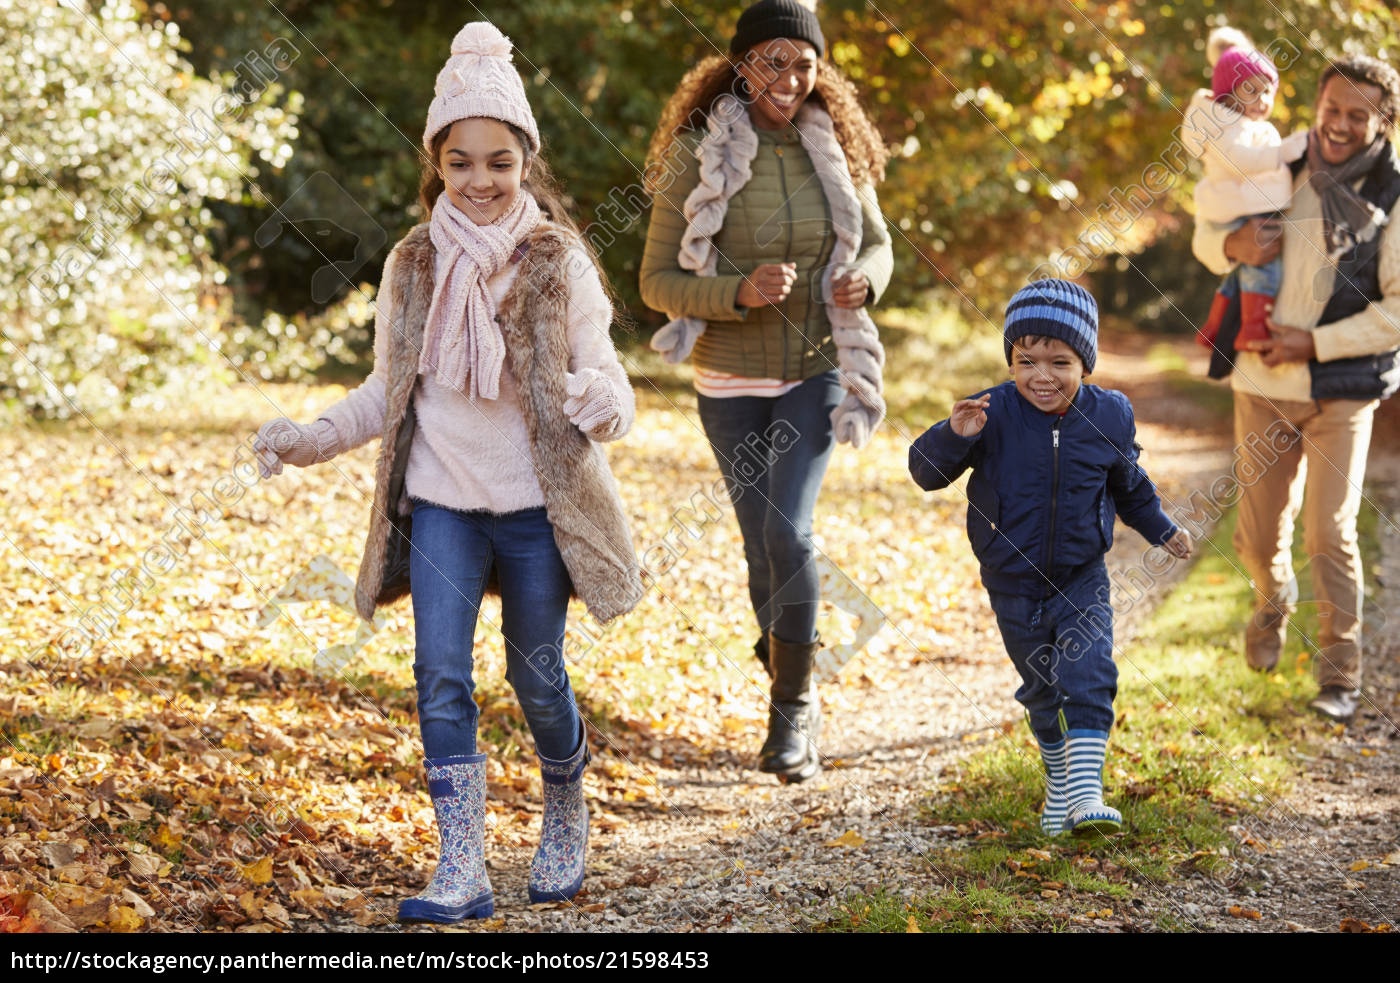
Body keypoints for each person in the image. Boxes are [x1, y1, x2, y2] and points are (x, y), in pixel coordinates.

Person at [252, 22, 643, 921]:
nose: (480, 179)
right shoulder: (412, 264)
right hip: (441, 505)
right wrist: (308, 436)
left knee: (537, 674)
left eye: (498, 160)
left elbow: (608, 378)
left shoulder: (557, 263)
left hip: (538, 505)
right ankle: (460, 863)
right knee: (440, 673)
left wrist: (602, 402)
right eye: (460, 161)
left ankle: (564, 806)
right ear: (437, 163)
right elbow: (387, 389)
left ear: (525, 162)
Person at [638, 0, 893, 784]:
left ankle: (794, 708)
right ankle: (790, 646)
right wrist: (736, 292)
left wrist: (865, 282)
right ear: (741, 65)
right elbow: (656, 284)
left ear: (821, 70)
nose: (789, 77)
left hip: (816, 367)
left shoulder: (837, 150)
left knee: (790, 533)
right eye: (772, 60)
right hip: (728, 376)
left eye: (804, 62)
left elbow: (879, 248)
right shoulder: (696, 157)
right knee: (759, 547)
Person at [909, 280, 1192, 835]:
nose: (1042, 376)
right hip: (1011, 580)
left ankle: (1088, 793)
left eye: (1059, 361)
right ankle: (1061, 788)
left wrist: (1160, 528)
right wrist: (953, 435)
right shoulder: (990, 413)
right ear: (1011, 360)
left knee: (1089, 671)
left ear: (1085, 363)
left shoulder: (1109, 416)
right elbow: (925, 473)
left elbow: (1130, 485)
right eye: (1026, 360)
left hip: (1080, 574)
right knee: (1040, 686)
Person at [1191, 54, 1400, 722]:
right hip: (1261, 381)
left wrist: (1315, 342)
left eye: (1357, 115)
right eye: (1331, 109)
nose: (1340, 125)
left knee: (1329, 531)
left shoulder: (1392, 196)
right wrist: (1235, 249)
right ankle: (1271, 600)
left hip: (1343, 387)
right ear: (1315, 106)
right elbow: (1207, 224)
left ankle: (1339, 675)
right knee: (1257, 537)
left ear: (1382, 121)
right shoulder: (1277, 164)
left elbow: (1397, 309)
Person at [1184, 27, 1308, 351]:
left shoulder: (1245, 125)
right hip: (1237, 208)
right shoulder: (1224, 126)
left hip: (1241, 206)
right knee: (1262, 265)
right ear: (1227, 94)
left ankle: (1215, 325)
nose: (1261, 100)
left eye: (1267, 92)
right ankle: (1252, 328)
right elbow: (1243, 161)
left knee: (1241, 273)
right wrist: (1282, 152)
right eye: (1250, 90)